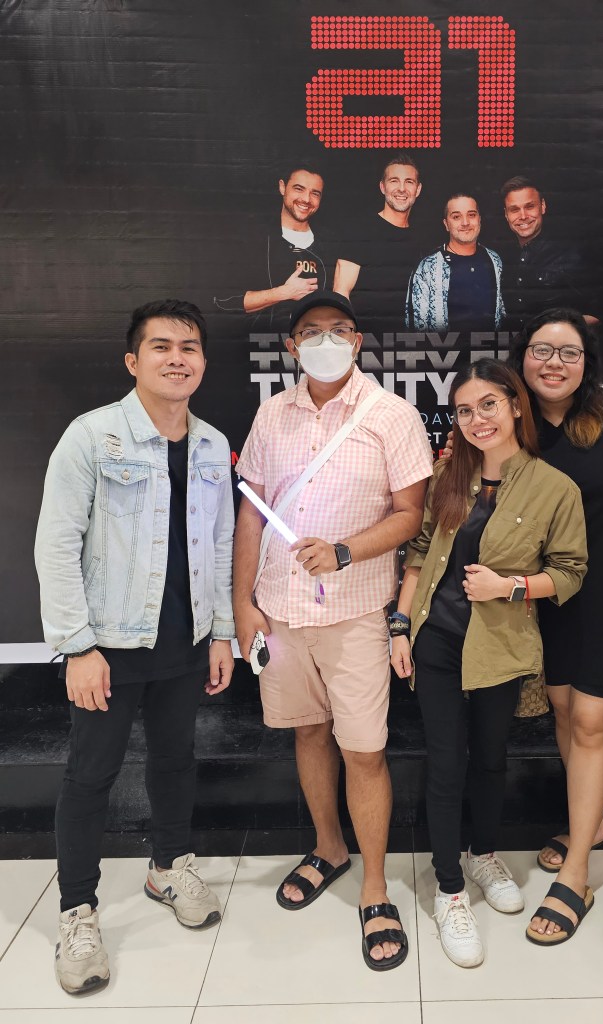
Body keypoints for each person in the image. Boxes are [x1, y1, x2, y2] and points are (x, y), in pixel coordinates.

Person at [34, 299, 236, 995]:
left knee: (176, 761)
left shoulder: (211, 444)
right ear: (133, 361)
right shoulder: (92, 437)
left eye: (190, 347)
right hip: (110, 644)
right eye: (161, 346)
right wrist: (77, 647)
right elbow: (55, 544)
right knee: (91, 775)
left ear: (203, 361)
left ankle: (168, 867)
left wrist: (222, 633)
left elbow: (220, 543)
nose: (178, 358)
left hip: (186, 639)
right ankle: (78, 911)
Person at [233, 289, 432, 971]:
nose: (325, 340)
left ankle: (375, 888)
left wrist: (346, 551)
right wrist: (242, 604)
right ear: (291, 347)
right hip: (281, 611)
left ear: (357, 340)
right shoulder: (272, 414)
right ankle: (328, 847)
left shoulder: (392, 415)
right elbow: (252, 512)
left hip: (356, 614)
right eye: (311, 331)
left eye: (338, 329)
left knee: (364, 751)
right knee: (308, 733)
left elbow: (410, 514)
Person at [390, 358, 587, 967]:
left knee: (492, 758)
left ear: (516, 406)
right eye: (465, 410)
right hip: (437, 639)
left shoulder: (555, 487)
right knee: (447, 762)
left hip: (501, 645)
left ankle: (483, 854)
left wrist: (511, 587)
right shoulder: (448, 474)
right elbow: (419, 551)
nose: (477, 419)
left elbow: (570, 572)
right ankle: (449, 888)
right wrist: (400, 626)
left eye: (489, 405)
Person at [504, 309, 603, 946]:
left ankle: (578, 871)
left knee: (591, 721)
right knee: (562, 710)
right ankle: (594, 823)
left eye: (569, 352)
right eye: (542, 350)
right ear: (521, 358)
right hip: (538, 596)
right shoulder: (508, 426)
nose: (554, 363)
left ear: (588, 363)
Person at [213, 164, 332, 329]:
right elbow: (223, 301)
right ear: (282, 187)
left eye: (315, 193)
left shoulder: (329, 245)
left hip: (312, 342)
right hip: (262, 342)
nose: (306, 199)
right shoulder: (253, 238)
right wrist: (284, 292)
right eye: (299, 189)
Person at [332, 152, 427, 331]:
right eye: (394, 181)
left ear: (418, 189)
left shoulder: (421, 238)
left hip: (407, 342)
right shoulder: (359, 230)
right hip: (366, 340)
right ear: (382, 187)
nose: (401, 189)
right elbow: (341, 293)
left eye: (409, 182)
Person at [498, 176, 590, 331]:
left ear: (543, 206)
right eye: (514, 209)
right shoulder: (503, 258)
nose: (523, 216)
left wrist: (556, 334)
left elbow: (599, 313)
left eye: (530, 206)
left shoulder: (569, 254)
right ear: (506, 214)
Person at [406, 193, 504, 333]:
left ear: (479, 219)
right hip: (443, 347)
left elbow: (502, 314)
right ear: (446, 224)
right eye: (456, 217)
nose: (465, 222)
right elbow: (415, 327)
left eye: (471, 215)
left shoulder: (494, 260)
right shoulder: (428, 267)